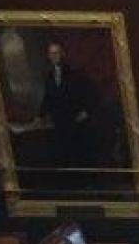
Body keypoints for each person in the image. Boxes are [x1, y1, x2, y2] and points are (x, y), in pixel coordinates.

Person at [39, 39, 100, 169]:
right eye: (51, 53)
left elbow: (93, 94)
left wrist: (86, 112)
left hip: (76, 121)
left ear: (63, 54)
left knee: (78, 153)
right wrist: (39, 116)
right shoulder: (50, 76)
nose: (53, 56)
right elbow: (48, 98)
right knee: (63, 153)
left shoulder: (75, 73)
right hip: (60, 122)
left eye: (56, 53)